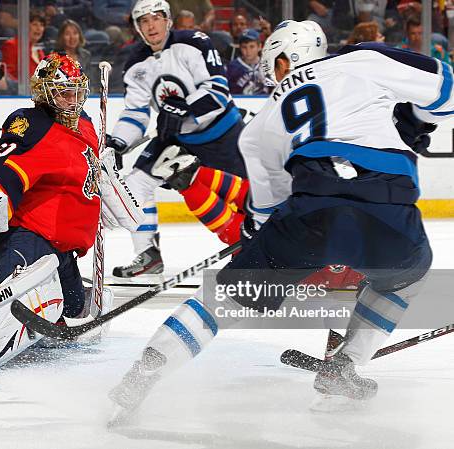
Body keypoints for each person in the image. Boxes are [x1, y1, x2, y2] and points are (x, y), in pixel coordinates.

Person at [109, 19, 444, 419]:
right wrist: (420, 120)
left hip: (311, 214)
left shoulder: (261, 124)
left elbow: (267, 211)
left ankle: (142, 374)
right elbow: (445, 89)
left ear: (284, 60)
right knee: (408, 277)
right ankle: (346, 365)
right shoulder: (361, 61)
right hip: (389, 209)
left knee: (220, 301)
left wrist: (258, 248)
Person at [0, 52, 144, 375]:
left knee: (74, 312)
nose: (72, 99)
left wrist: (108, 176)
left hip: (64, 251)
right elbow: (3, 169)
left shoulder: (89, 127)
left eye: (77, 91)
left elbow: (103, 199)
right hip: (26, 239)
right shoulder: (32, 125)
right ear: (44, 93)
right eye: (64, 92)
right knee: (18, 306)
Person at [106, 0, 250, 278]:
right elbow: (136, 111)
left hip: (223, 135)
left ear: (168, 20)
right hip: (178, 139)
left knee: (249, 198)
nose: (151, 25)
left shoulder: (195, 43)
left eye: (156, 18)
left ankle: (264, 254)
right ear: (137, 28)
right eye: (144, 21)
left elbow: (219, 90)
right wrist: (118, 142)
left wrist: (184, 107)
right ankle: (148, 254)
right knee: (135, 185)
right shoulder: (136, 62)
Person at [1, 11, 47, 81]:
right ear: (25, 27)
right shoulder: (12, 45)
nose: (39, 28)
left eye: (42, 25)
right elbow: (9, 76)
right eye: (35, 24)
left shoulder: (40, 52)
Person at [225, 28, 272, 95]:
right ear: (240, 48)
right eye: (244, 47)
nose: (248, 51)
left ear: (259, 46)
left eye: (252, 46)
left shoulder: (269, 65)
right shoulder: (231, 68)